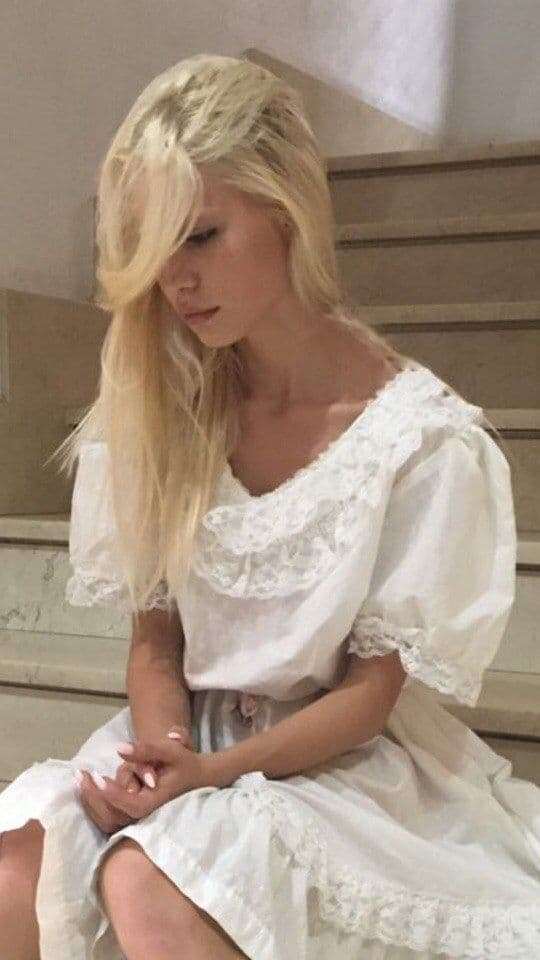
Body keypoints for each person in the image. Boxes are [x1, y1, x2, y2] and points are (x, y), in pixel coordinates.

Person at [0, 52, 539, 960]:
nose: (175, 281)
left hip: (339, 760)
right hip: (186, 733)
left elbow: (369, 696)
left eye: (201, 236)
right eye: (154, 249)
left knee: (149, 878)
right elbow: (156, 639)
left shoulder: (418, 441)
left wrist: (212, 775)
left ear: (286, 208)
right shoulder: (162, 409)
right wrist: (169, 752)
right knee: (17, 867)